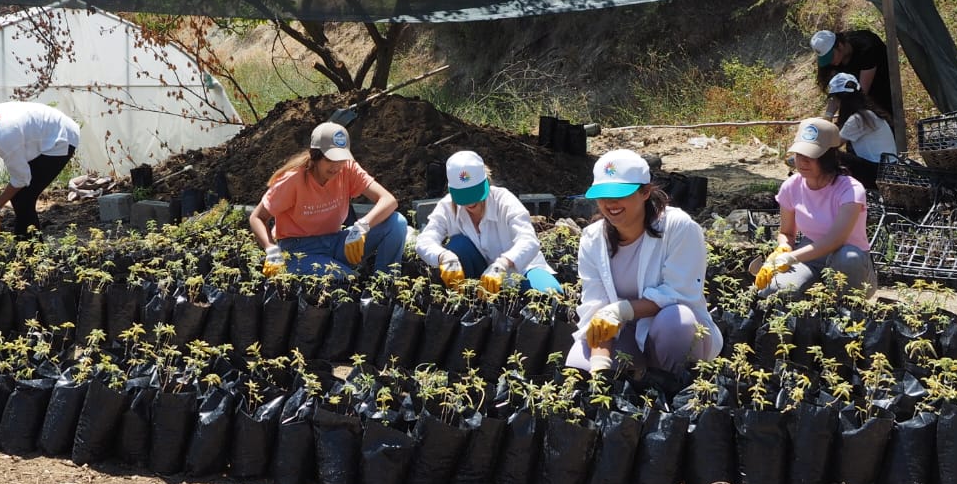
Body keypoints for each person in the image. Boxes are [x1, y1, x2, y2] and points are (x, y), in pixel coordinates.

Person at [565, 149, 723, 376]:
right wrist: (600, 364)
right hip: (623, 331)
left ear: (645, 192)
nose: (611, 203)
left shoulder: (678, 227)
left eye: (621, 194)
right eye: (603, 195)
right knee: (578, 369)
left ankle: (667, 387)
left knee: (677, 323)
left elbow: (678, 293)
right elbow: (596, 307)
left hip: (672, 331)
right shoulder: (592, 238)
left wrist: (621, 310)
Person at [248, 121, 409, 279]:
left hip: (335, 241)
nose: (336, 167)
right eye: (329, 160)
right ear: (315, 156)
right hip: (299, 249)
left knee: (397, 223)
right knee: (345, 282)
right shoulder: (293, 179)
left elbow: (389, 200)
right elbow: (257, 217)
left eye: (341, 159)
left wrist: (362, 226)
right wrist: (271, 249)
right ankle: (345, 274)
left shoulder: (348, 169)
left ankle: (386, 285)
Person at [753, 117, 878, 298]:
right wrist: (783, 249)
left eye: (811, 157)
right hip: (810, 256)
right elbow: (787, 233)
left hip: (850, 260)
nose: (803, 162)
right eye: (799, 155)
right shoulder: (791, 186)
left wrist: (792, 258)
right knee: (774, 291)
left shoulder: (851, 190)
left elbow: (834, 241)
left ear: (829, 157)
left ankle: (846, 310)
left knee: (847, 258)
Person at [414, 150, 561, 294]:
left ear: (486, 182)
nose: (471, 202)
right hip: (479, 272)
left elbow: (529, 240)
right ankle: (472, 299)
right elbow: (425, 240)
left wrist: (502, 264)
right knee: (458, 245)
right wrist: (444, 257)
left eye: (475, 194)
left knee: (550, 293)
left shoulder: (504, 200)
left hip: (521, 270)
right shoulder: (447, 207)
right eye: (464, 197)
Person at [0, 103, 81, 238]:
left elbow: (21, 179)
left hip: (60, 138)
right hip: (39, 134)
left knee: (23, 197)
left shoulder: (4, 136)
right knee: (20, 196)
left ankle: (31, 250)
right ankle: (26, 247)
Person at [828, 72, 895, 189]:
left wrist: (828, 114)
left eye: (835, 99)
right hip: (888, 168)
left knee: (831, 155)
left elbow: (832, 144)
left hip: (878, 173)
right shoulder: (869, 113)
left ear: (841, 99)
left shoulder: (857, 119)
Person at [812, 28, 892, 118]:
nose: (829, 62)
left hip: (881, 86)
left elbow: (860, 94)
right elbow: (837, 89)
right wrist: (828, 116)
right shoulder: (834, 60)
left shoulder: (867, 48)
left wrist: (846, 119)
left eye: (831, 57)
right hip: (858, 93)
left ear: (840, 46)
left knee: (886, 118)